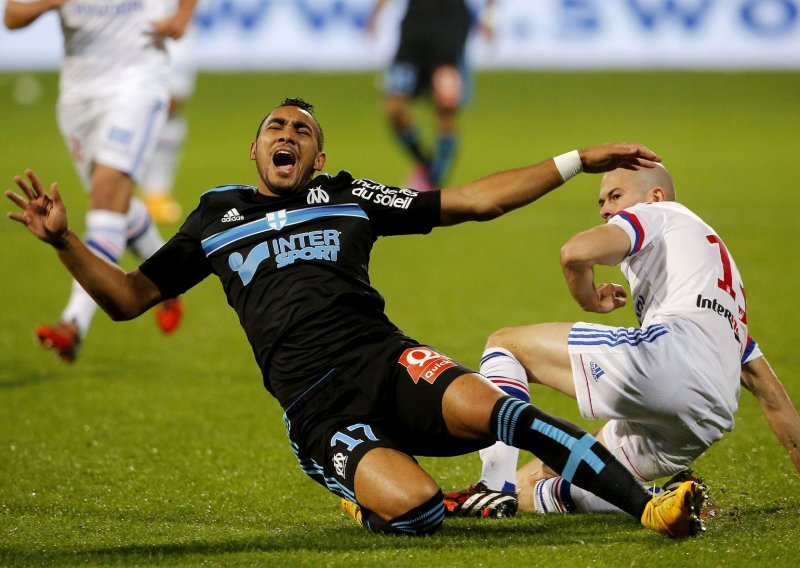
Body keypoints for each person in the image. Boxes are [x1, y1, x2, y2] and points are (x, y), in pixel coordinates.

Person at [6, 98, 706, 538]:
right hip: (317, 405)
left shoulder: (347, 196)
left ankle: (648, 507)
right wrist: (67, 241)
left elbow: (471, 202)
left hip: (388, 360)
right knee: (422, 513)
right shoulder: (214, 217)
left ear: (318, 156)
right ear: (254, 151)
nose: (288, 135)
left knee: (506, 413)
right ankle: (350, 482)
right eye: (275, 128)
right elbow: (129, 299)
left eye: (302, 131)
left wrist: (578, 160)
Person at [443, 163, 800, 518]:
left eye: (615, 196)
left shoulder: (658, 212)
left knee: (505, 344)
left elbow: (576, 252)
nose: (605, 209)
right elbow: (770, 395)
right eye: (601, 202)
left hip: (669, 359)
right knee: (554, 473)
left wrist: (589, 298)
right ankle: (669, 499)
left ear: (654, 195)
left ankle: (493, 485)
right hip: (708, 417)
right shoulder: (713, 279)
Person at [3, 0, 197, 362]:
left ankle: (73, 323)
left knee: (107, 197)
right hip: (80, 99)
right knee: (114, 206)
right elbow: (11, 16)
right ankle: (168, 286)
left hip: (138, 83)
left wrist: (183, 15)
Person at [366, 0, 496, 191]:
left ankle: (433, 181)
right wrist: (376, 13)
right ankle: (425, 164)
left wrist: (489, 17)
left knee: (445, 109)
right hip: (414, 32)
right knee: (394, 107)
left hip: (450, 31)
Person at [140, 15, 197, 225]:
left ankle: (156, 194)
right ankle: (147, 195)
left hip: (174, 26)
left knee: (171, 106)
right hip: (142, 25)